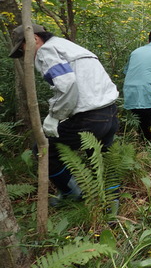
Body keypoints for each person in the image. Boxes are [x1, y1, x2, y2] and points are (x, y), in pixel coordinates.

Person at [9, 24, 119, 205]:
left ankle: (72, 194)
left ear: (34, 38)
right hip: (110, 112)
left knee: (43, 149)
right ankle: (111, 204)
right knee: (101, 157)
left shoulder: (47, 50)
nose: (25, 55)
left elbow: (66, 84)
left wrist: (55, 115)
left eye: (23, 49)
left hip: (90, 117)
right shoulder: (67, 46)